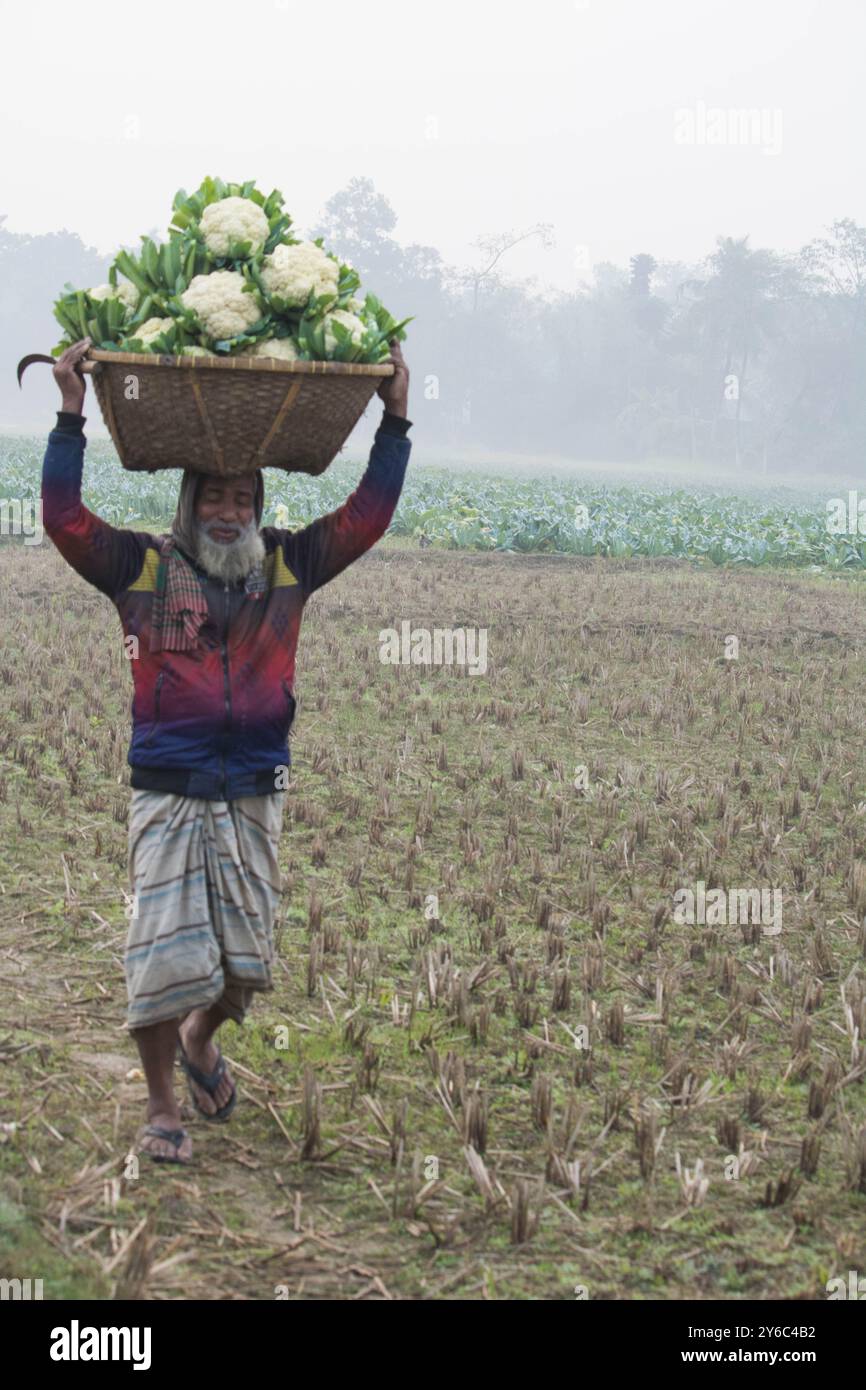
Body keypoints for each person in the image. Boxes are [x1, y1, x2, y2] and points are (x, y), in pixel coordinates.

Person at [42, 336, 412, 1164]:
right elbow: (63, 521)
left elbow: (367, 517)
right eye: (213, 497)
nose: (229, 511)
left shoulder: (290, 565)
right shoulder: (140, 567)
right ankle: (162, 1106)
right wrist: (71, 415)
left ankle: (203, 1040)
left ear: (258, 506)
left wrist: (395, 422)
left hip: (252, 785)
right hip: (169, 787)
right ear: (188, 505)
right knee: (161, 958)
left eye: (243, 499)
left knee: (244, 970)